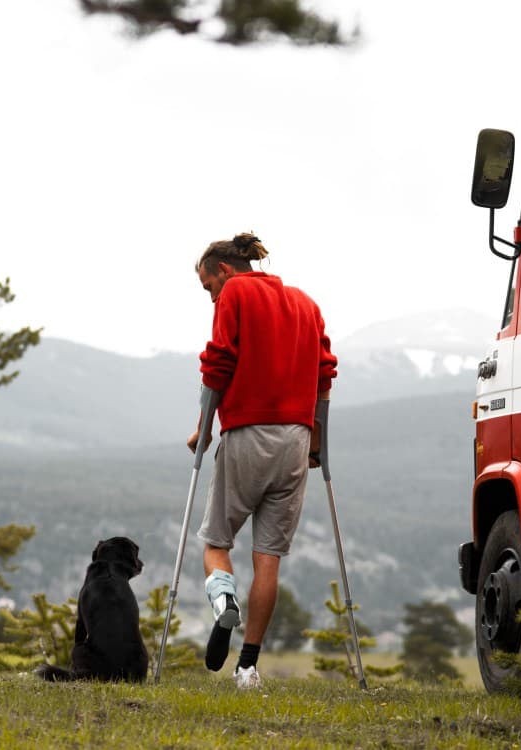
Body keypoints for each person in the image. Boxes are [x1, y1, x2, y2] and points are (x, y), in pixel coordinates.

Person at [187, 232, 337, 689]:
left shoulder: (235, 294)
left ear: (225, 272)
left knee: (215, 541)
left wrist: (204, 428)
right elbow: (325, 373)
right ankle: (248, 667)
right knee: (268, 557)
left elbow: (219, 362)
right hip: (295, 438)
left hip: (246, 431)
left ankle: (223, 600)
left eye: (208, 287)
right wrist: (317, 443)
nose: (212, 297)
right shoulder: (305, 304)